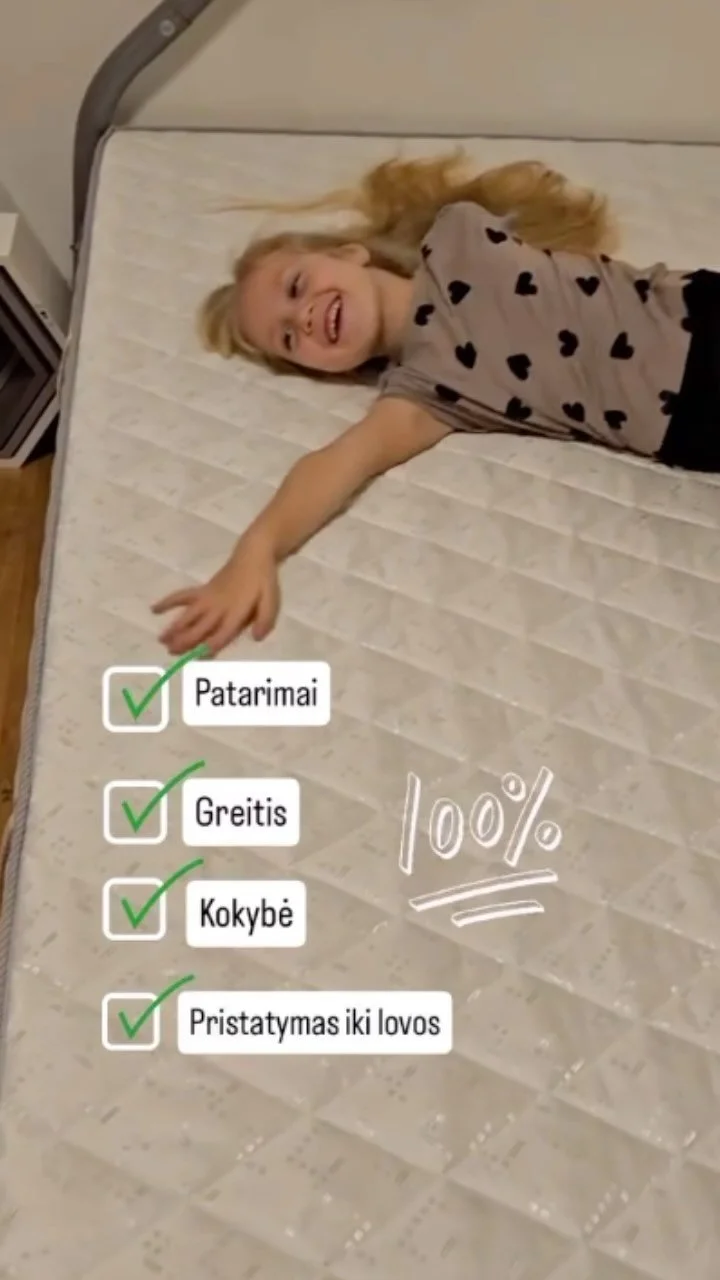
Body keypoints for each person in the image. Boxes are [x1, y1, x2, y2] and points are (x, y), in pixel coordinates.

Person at [153, 152, 719, 657]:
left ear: (350, 253)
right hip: (693, 420)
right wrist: (257, 548)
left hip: (699, 310)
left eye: (296, 286)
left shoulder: (457, 233)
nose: (302, 316)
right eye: (288, 339)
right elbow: (335, 464)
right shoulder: (424, 394)